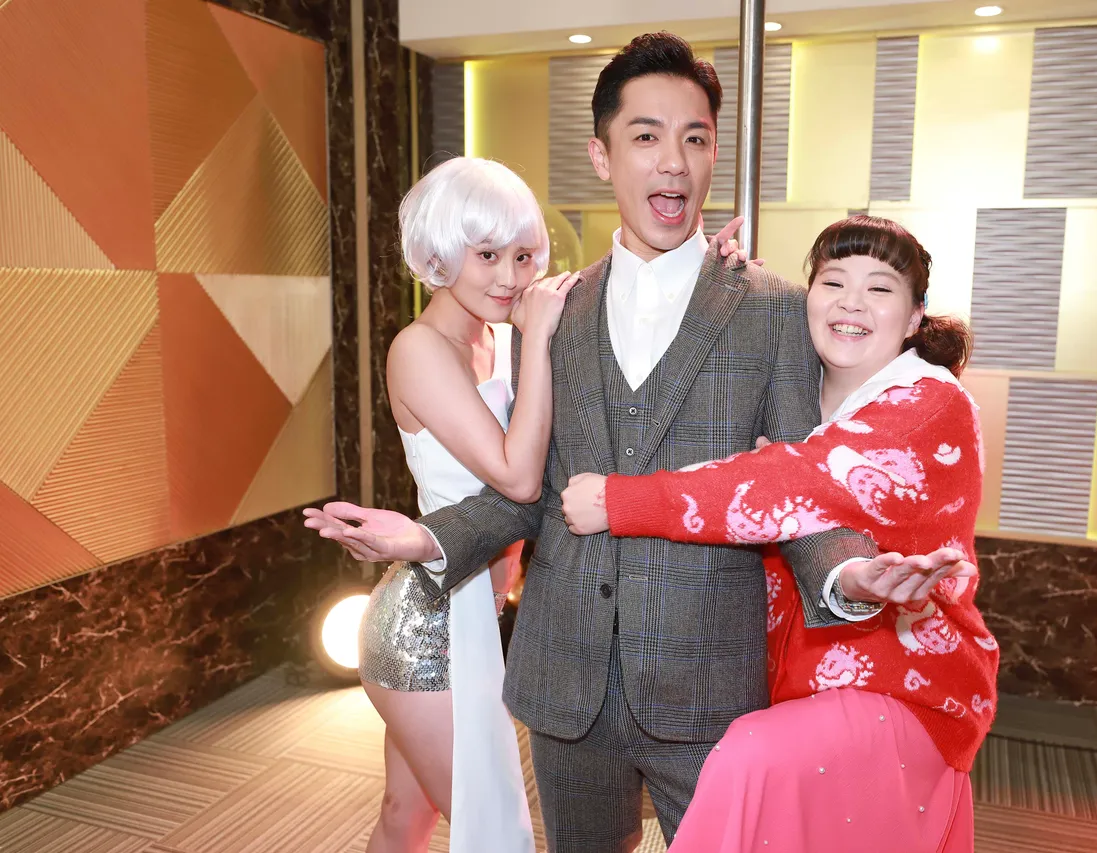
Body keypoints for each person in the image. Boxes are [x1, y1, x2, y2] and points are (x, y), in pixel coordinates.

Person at [303, 34, 967, 852]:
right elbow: (535, 490)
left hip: (707, 685)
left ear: (714, 152)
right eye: (647, 136)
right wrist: (427, 538)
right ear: (602, 155)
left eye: (695, 138)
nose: (674, 162)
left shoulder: (772, 310)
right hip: (567, 679)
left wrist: (849, 574)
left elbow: (795, 489)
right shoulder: (551, 310)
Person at [561, 215, 1000, 853]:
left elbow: (789, 483)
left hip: (901, 680)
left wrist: (617, 500)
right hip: (788, 678)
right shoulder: (795, 387)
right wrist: (715, 283)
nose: (852, 303)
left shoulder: (930, 403)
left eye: (879, 289)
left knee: (749, 758)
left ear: (914, 317)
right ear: (806, 298)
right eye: (833, 282)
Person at [346, 156, 577, 853]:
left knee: (404, 815)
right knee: (493, 830)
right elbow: (517, 477)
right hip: (428, 627)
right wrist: (539, 337)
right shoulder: (420, 349)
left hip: (475, 611)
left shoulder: (497, 337)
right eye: (487, 255)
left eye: (523, 256)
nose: (509, 276)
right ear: (441, 254)